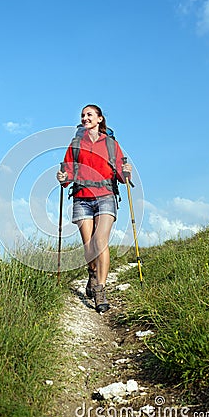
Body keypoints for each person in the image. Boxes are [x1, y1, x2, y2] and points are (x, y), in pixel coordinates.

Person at [56, 104, 132, 313]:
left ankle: (100, 289)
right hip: (82, 197)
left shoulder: (110, 144)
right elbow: (68, 173)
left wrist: (126, 172)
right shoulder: (75, 145)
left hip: (106, 196)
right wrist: (63, 178)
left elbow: (121, 175)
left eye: (89, 114)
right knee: (89, 247)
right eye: (82, 115)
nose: (85, 117)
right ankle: (92, 271)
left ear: (99, 119)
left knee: (101, 241)